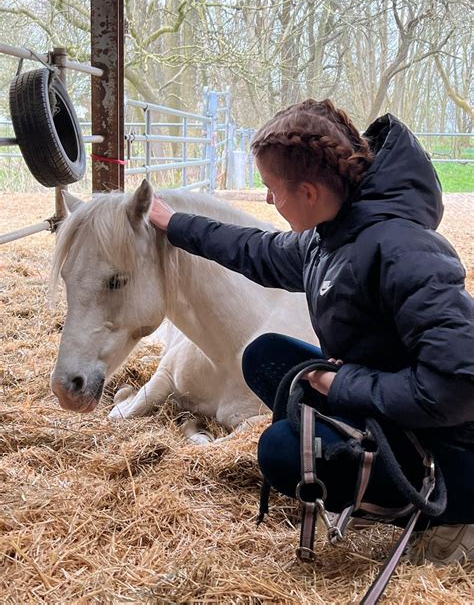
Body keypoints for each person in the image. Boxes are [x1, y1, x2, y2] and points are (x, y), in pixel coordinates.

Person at [149, 99, 474, 565]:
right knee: (265, 356)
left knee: (281, 451)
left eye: (271, 188)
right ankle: (362, 477)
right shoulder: (333, 235)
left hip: (451, 451)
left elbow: (459, 387)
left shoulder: (406, 253)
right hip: (396, 411)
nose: (267, 200)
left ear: (307, 192)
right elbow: (254, 250)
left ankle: (451, 518)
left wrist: (344, 384)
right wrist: (174, 224)